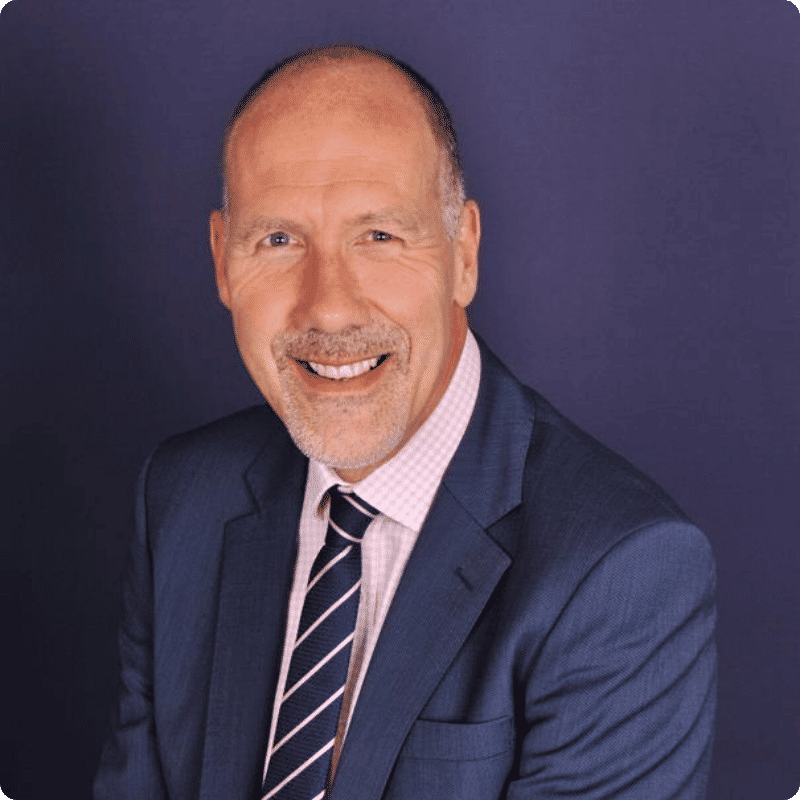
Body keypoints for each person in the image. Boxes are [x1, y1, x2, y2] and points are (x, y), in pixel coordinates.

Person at [93, 45, 717, 800]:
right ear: (224, 261)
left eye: (380, 236)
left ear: (464, 254)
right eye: (279, 240)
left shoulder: (621, 571)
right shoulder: (181, 498)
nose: (330, 308)